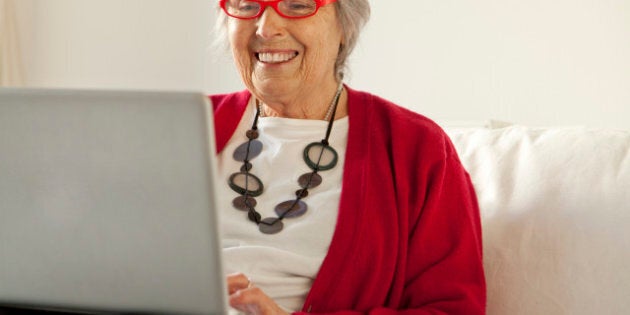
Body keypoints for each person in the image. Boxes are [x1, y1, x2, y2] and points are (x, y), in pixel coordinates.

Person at [210, 0, 486, 314]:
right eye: (246, 6)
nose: (267, 28)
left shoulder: (416, 148)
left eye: (298, 5)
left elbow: (452, 308)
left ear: (344, 25)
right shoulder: (180, 127)